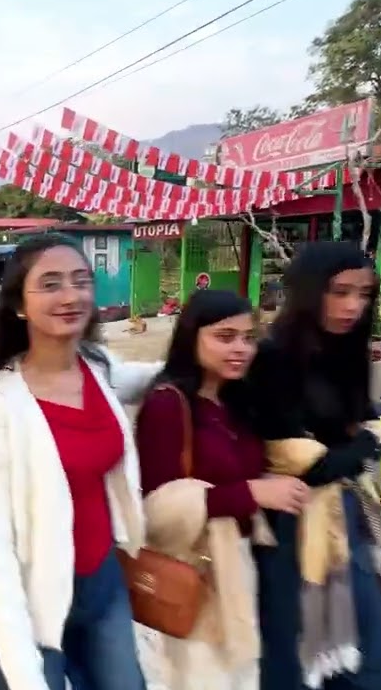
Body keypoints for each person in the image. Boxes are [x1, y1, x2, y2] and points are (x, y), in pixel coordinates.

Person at [0, 234, 162, 690]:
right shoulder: (0, 409)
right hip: (34, 596)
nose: (71, 296)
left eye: (80, 281)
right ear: (18, 305)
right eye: (50, 284)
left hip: (103, 582)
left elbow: (140, 380)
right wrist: (21, 669)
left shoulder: (97, 366)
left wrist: (201, 357)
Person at [243, 241, 381, 690]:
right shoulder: (272, 358)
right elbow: (302, 462)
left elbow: (356, 426)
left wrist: (359, 442)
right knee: (292, 644)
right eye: (340, 292)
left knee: (370, 647)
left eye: (365, 293)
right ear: (310, 291)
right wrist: (366, 443)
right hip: (290, 520)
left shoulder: (346, 350)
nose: (353, 305)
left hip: (344, 511)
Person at [136, 290, 308, 690]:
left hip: (239, 564)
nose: (241, 349)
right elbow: (158, 511)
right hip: (196, 571)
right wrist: (251, 494)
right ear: (192, 336)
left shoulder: (235, 401)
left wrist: (264, 484)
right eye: (225, 336)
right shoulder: (169, 405)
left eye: (248, 338)